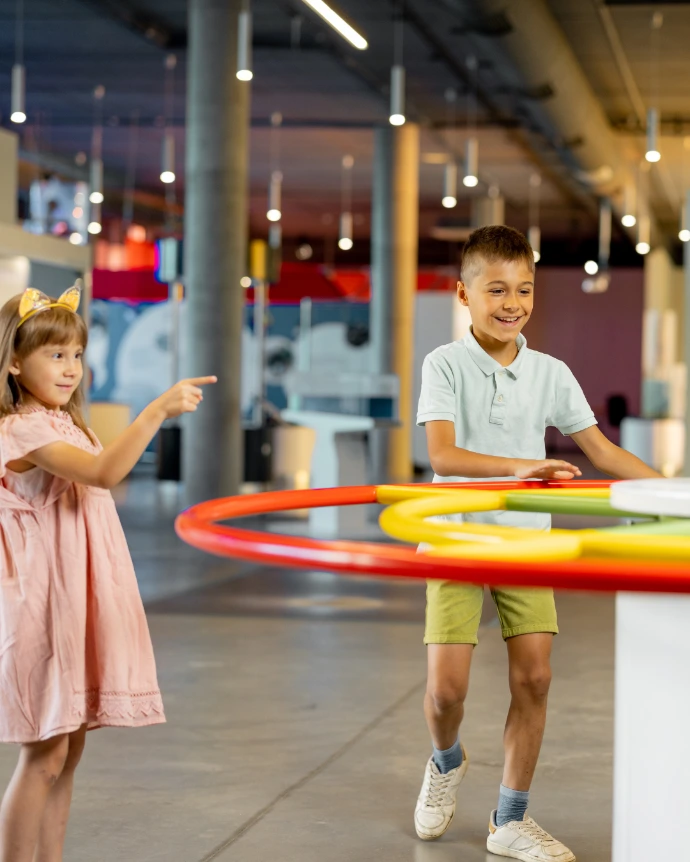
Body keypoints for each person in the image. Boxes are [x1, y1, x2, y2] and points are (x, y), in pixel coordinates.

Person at [414, 226, 659, 861]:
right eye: (496, 289)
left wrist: (671, 492)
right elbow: (441, 455)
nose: (513, 303)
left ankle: (510, 820)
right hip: (454, 536)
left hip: (526, 543)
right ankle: (446, 761)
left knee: (536, 678)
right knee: (446, 692)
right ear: (464, 294)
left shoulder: (550, 373)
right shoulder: (443, 364)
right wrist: (520, 468)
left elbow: (602, 450)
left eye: (524, 289)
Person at [0, 285, 216, 862]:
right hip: (45, 603)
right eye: (55, 355)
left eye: (76, 354)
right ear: (15, 363)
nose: (71, 368)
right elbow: (103, 473)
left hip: (77, 597)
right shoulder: (22, 429)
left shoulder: (65, 423)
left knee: (68, 753)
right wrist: (155, 412)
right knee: (44, 754)